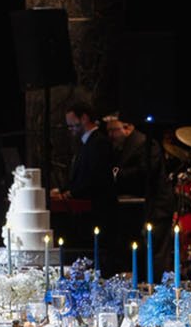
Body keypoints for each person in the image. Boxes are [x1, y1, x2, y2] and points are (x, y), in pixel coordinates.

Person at [53, 90, 116, 263]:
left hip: (97, 210)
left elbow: (95, 177)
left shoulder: (99, 142)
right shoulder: (87, 143)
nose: (70, 129)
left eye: (72, 124)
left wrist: (69, 193)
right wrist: (63, 190)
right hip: (87, 208)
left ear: (84, 118)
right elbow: (80, 176)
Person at [106, 112, 168, 264]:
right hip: (137, 206)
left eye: (113, 130)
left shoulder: (145, 144)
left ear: (127, 128)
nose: (110, 135)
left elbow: (145, 172)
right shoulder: (125, 146)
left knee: (153, 250)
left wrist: (117, 174)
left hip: (155, 207)